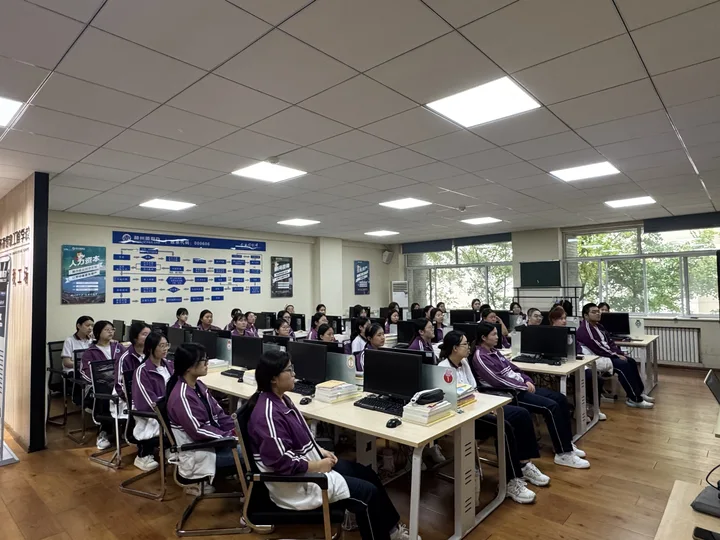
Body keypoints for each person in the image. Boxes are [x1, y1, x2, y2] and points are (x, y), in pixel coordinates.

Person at [246, 349, 415, 540]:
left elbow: (300, 439)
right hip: (297, 485)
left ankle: (391, 532)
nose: (294, 373)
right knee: (368, 494)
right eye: (289, 370)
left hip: (309, 467)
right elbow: (279, 461)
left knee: (368, 474)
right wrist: (318, 465)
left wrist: (320, 450)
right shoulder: (267, 414)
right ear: (273, 379)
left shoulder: (282, 400)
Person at [439, 331, 549, 504]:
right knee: (504, 427)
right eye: (465, 344)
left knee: (521, 414)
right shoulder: (443, 368)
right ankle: (510, 481)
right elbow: (453, 401)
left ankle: (523, 463)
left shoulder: (464, 363)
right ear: (454, 348)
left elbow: (473, 390)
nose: (469, 347)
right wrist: (484, 409)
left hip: (478, 407)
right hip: (465, 417)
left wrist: (488, 407)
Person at [470, 322, 590, 469]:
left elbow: (513, 368)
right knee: (551, 407)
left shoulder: (494, 351)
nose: (497, 337)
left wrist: (527, 379)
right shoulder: (480, 357)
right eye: (494, 334)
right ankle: (563, 454)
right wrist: (523, 385)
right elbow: (497, 380)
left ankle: (566, 442)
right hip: (509, 394)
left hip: (520, 387)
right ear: (483, 337)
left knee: (560, 398)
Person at [577, 303, 654, 409]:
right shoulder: (585, 330)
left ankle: (639, 393)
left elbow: (610, 342)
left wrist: (619, 353)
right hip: (595, 358)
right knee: (623, 365)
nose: (598, 314)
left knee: (631, 361)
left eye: (598, 311)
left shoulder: (599, 326)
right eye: (594, 312)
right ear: (586, 315)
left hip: (605, 354)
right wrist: (615, 355)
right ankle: (634, 399)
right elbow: (598, 347)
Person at [549, 306, 607, 422]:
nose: (564, 321)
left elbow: (578, 349)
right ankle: (580, 410)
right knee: (584, 379)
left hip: (574, 364)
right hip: (559, 367)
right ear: (553, 320)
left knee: (597, 379)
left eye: (565, 318)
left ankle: (593, 408)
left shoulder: (569, 332)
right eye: (561, 319)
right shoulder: (549, 333)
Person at [132, 332, 174, 471]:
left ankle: (170, 447)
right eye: (161, 346)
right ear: (150, 348)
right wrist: (170, 408)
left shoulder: (169, 365)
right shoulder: (142, 371)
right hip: (150, 411)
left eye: (167, 345)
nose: (165, 349)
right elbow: (148, 400)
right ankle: (143, 455)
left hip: (168, 408)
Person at [80, 320, 125, 450]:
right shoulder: (90, 352)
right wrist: (103, 381)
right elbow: (85, 372)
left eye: (112, 329)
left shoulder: (118, 347)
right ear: (98, 333)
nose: (111, 332)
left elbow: (127, 364)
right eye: (107, 330)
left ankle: (127, 428)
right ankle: (104, 431)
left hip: (118, 385)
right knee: (106, 395)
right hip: (98, 387)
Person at [115, 321, 150, 409]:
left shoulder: (151, 355)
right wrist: (136, 400)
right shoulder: (125, 358)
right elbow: (119, 386)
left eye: (150, 334)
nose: (149, 337)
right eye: (144, 334)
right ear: (135, 337)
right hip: (128, 401)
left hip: (148, 396)